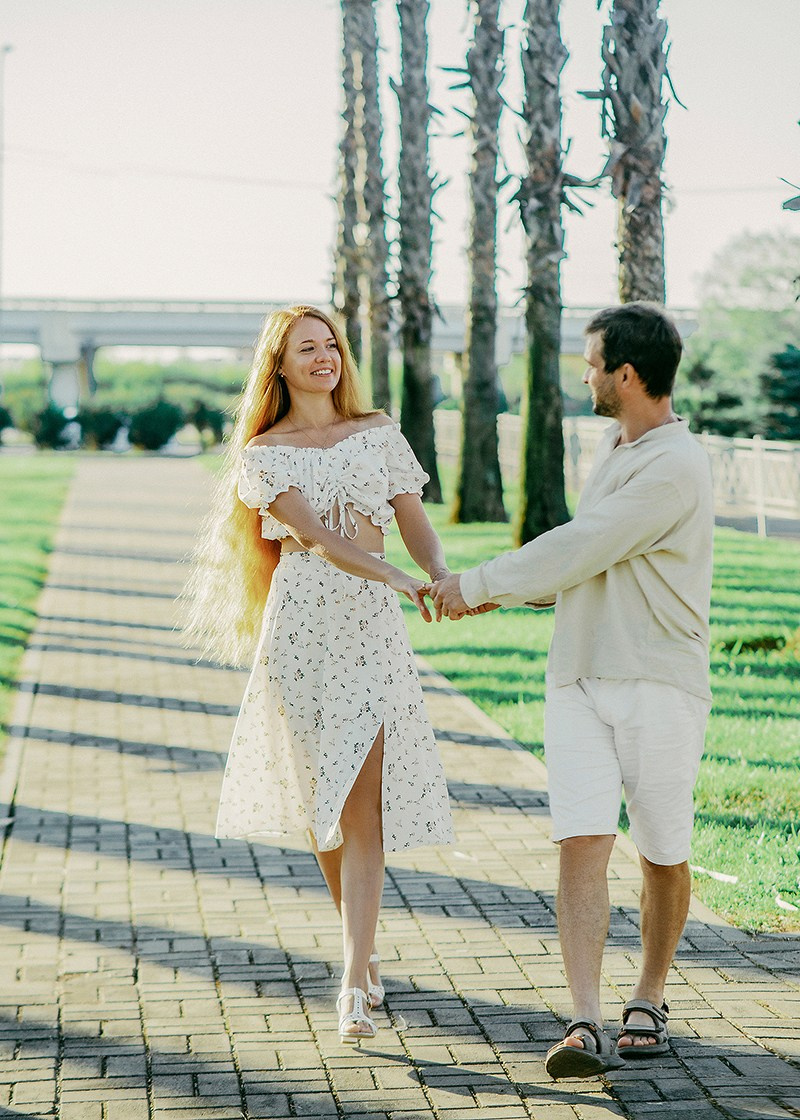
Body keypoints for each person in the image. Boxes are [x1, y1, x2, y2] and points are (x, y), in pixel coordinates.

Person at [429, 302, 714, 1078]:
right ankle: (584, 1019)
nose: (583, 376)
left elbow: (590, 540)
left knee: (662, 849)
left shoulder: (678, 464)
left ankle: (648, 996)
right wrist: (515, 592)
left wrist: (480, 583)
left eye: (591, 364)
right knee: (580, 841)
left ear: (626, 373)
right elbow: (595, 561)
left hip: (658, 681)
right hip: (578, 677)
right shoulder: (608, 444)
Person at [184, 304, 454, 1045]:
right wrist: (396, 577)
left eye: (331, 343)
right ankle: (361, 958)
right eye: (308, 347)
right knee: (321, 806)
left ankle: (353, 984)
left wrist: (436, 571)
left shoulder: (378, 432)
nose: (325, 356)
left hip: (371, 629)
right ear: (279, 364)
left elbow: (412, 515)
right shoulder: (263, 453)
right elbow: (318, 536)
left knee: (363, 808)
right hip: (302, 625)